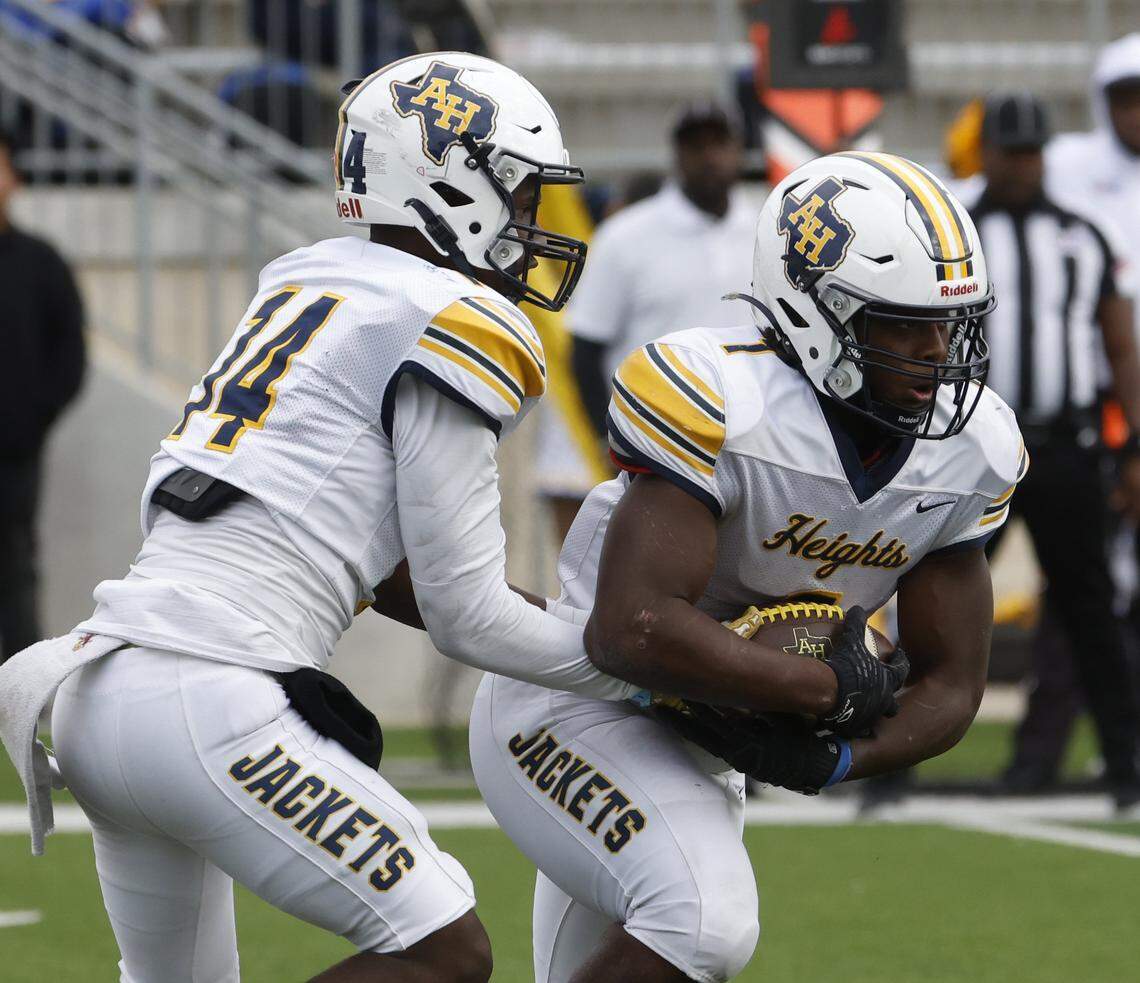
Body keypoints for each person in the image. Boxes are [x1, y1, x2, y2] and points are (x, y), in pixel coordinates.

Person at [0, 52, 646, 983]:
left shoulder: (307, 281)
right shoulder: (447, 311)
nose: (528, 222)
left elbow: (395, 575)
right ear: (448, 180)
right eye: (515, 190)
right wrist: (637, 671)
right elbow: (467, 616)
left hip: (100, 691)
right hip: (208, 692)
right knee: (444, 954)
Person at [468, 151, 1022, 982]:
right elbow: (631, 630)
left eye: (949, 320)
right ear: (818, 311)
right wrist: (820, 692)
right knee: (704, 924)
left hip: (700, 743)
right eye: (903, 323)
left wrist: (836, 759)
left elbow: (952, 683)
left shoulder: (969, 450)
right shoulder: (722, 395)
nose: (937, 350)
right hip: (574, 707)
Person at [955, 93, 1140, 804]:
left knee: (1090, 605)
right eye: (1009, 151)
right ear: (988, 154)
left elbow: (1119, 343)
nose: (1021, 165)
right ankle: (891, 756)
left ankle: (1124, 761)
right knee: (939, 592)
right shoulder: (956, 234)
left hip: (1064, 446)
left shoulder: (1080, 236)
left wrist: (1134, 444)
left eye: (1032, 152)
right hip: (975, 449)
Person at [536, 102, 756, 539]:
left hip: (746, 451)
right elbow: (586, 348)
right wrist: (608, 441)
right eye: (696, 146)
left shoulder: (764, 229)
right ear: (676, 155)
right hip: (651, 451)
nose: (709, 156)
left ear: (739, 148)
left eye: (719, 143)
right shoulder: (625, 237)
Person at [0, 128, 85, 663]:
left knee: (14, 572)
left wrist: (30, 422)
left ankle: (17, 697)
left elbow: (69, 357)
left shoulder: (41, 263)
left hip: (14, 454)